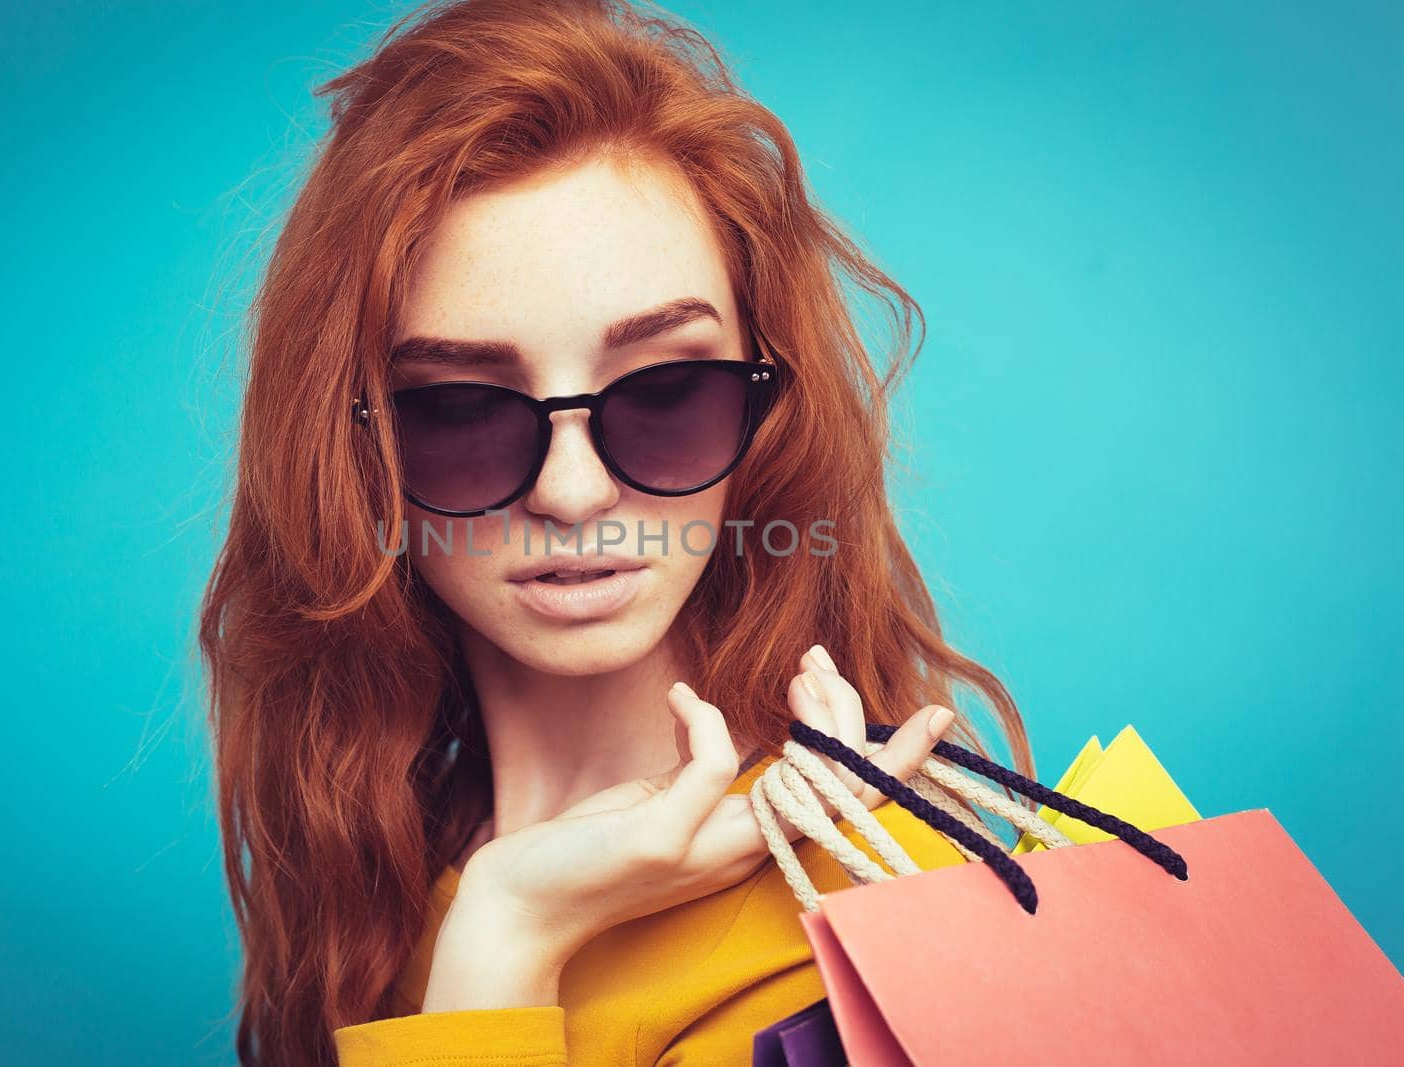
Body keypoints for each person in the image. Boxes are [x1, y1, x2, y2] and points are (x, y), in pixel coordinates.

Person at [196, 1, 1034, 1063]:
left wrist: (507, 940)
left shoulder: (871, 916)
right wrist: (503, 915)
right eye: (455, 407)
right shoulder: (388, 879)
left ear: (769, 408)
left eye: (664, 391)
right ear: (351, 449)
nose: (575, 490)